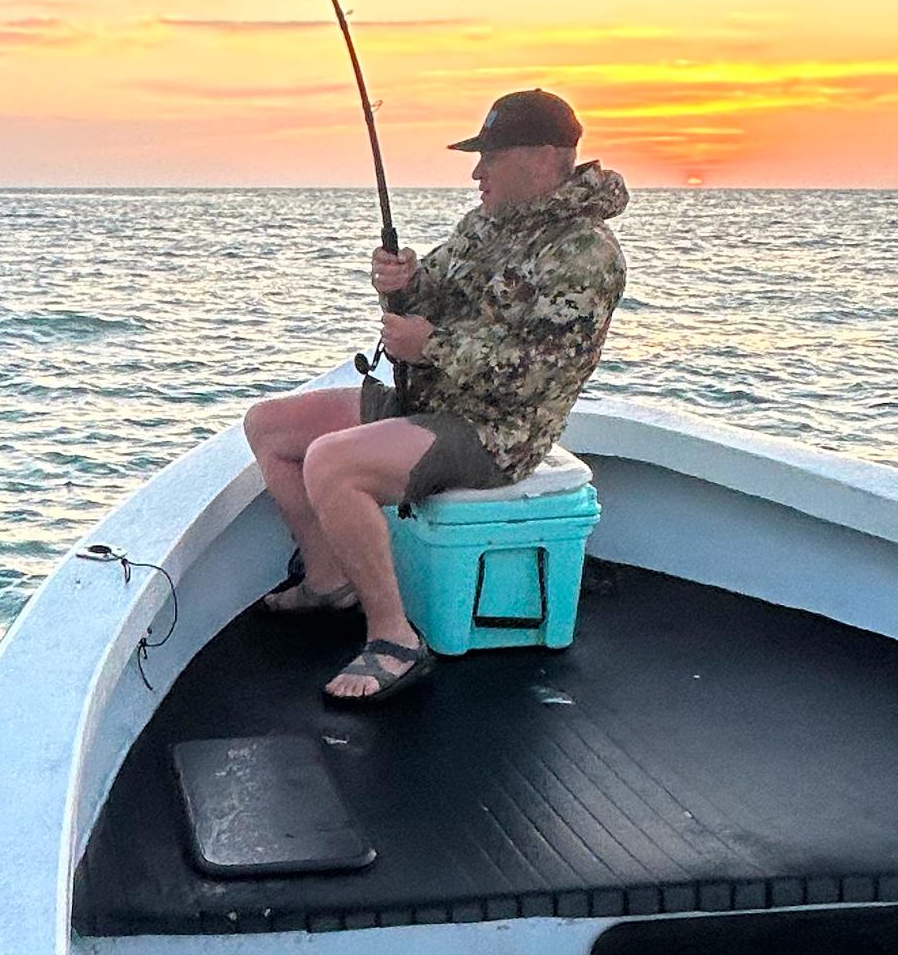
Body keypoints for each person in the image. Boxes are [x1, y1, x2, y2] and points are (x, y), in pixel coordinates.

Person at [243, 89, 628, 705]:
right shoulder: (484, 226)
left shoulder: (586, 253)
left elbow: (540, 373)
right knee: (271, 426)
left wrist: (434, 347)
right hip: (429, 400)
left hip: (496, 433)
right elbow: (430, 298)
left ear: (547, 157)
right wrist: (401, 282)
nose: (477, 172)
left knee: (332, 463)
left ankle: (395, 638)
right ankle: (328, 578)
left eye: (492, 156)